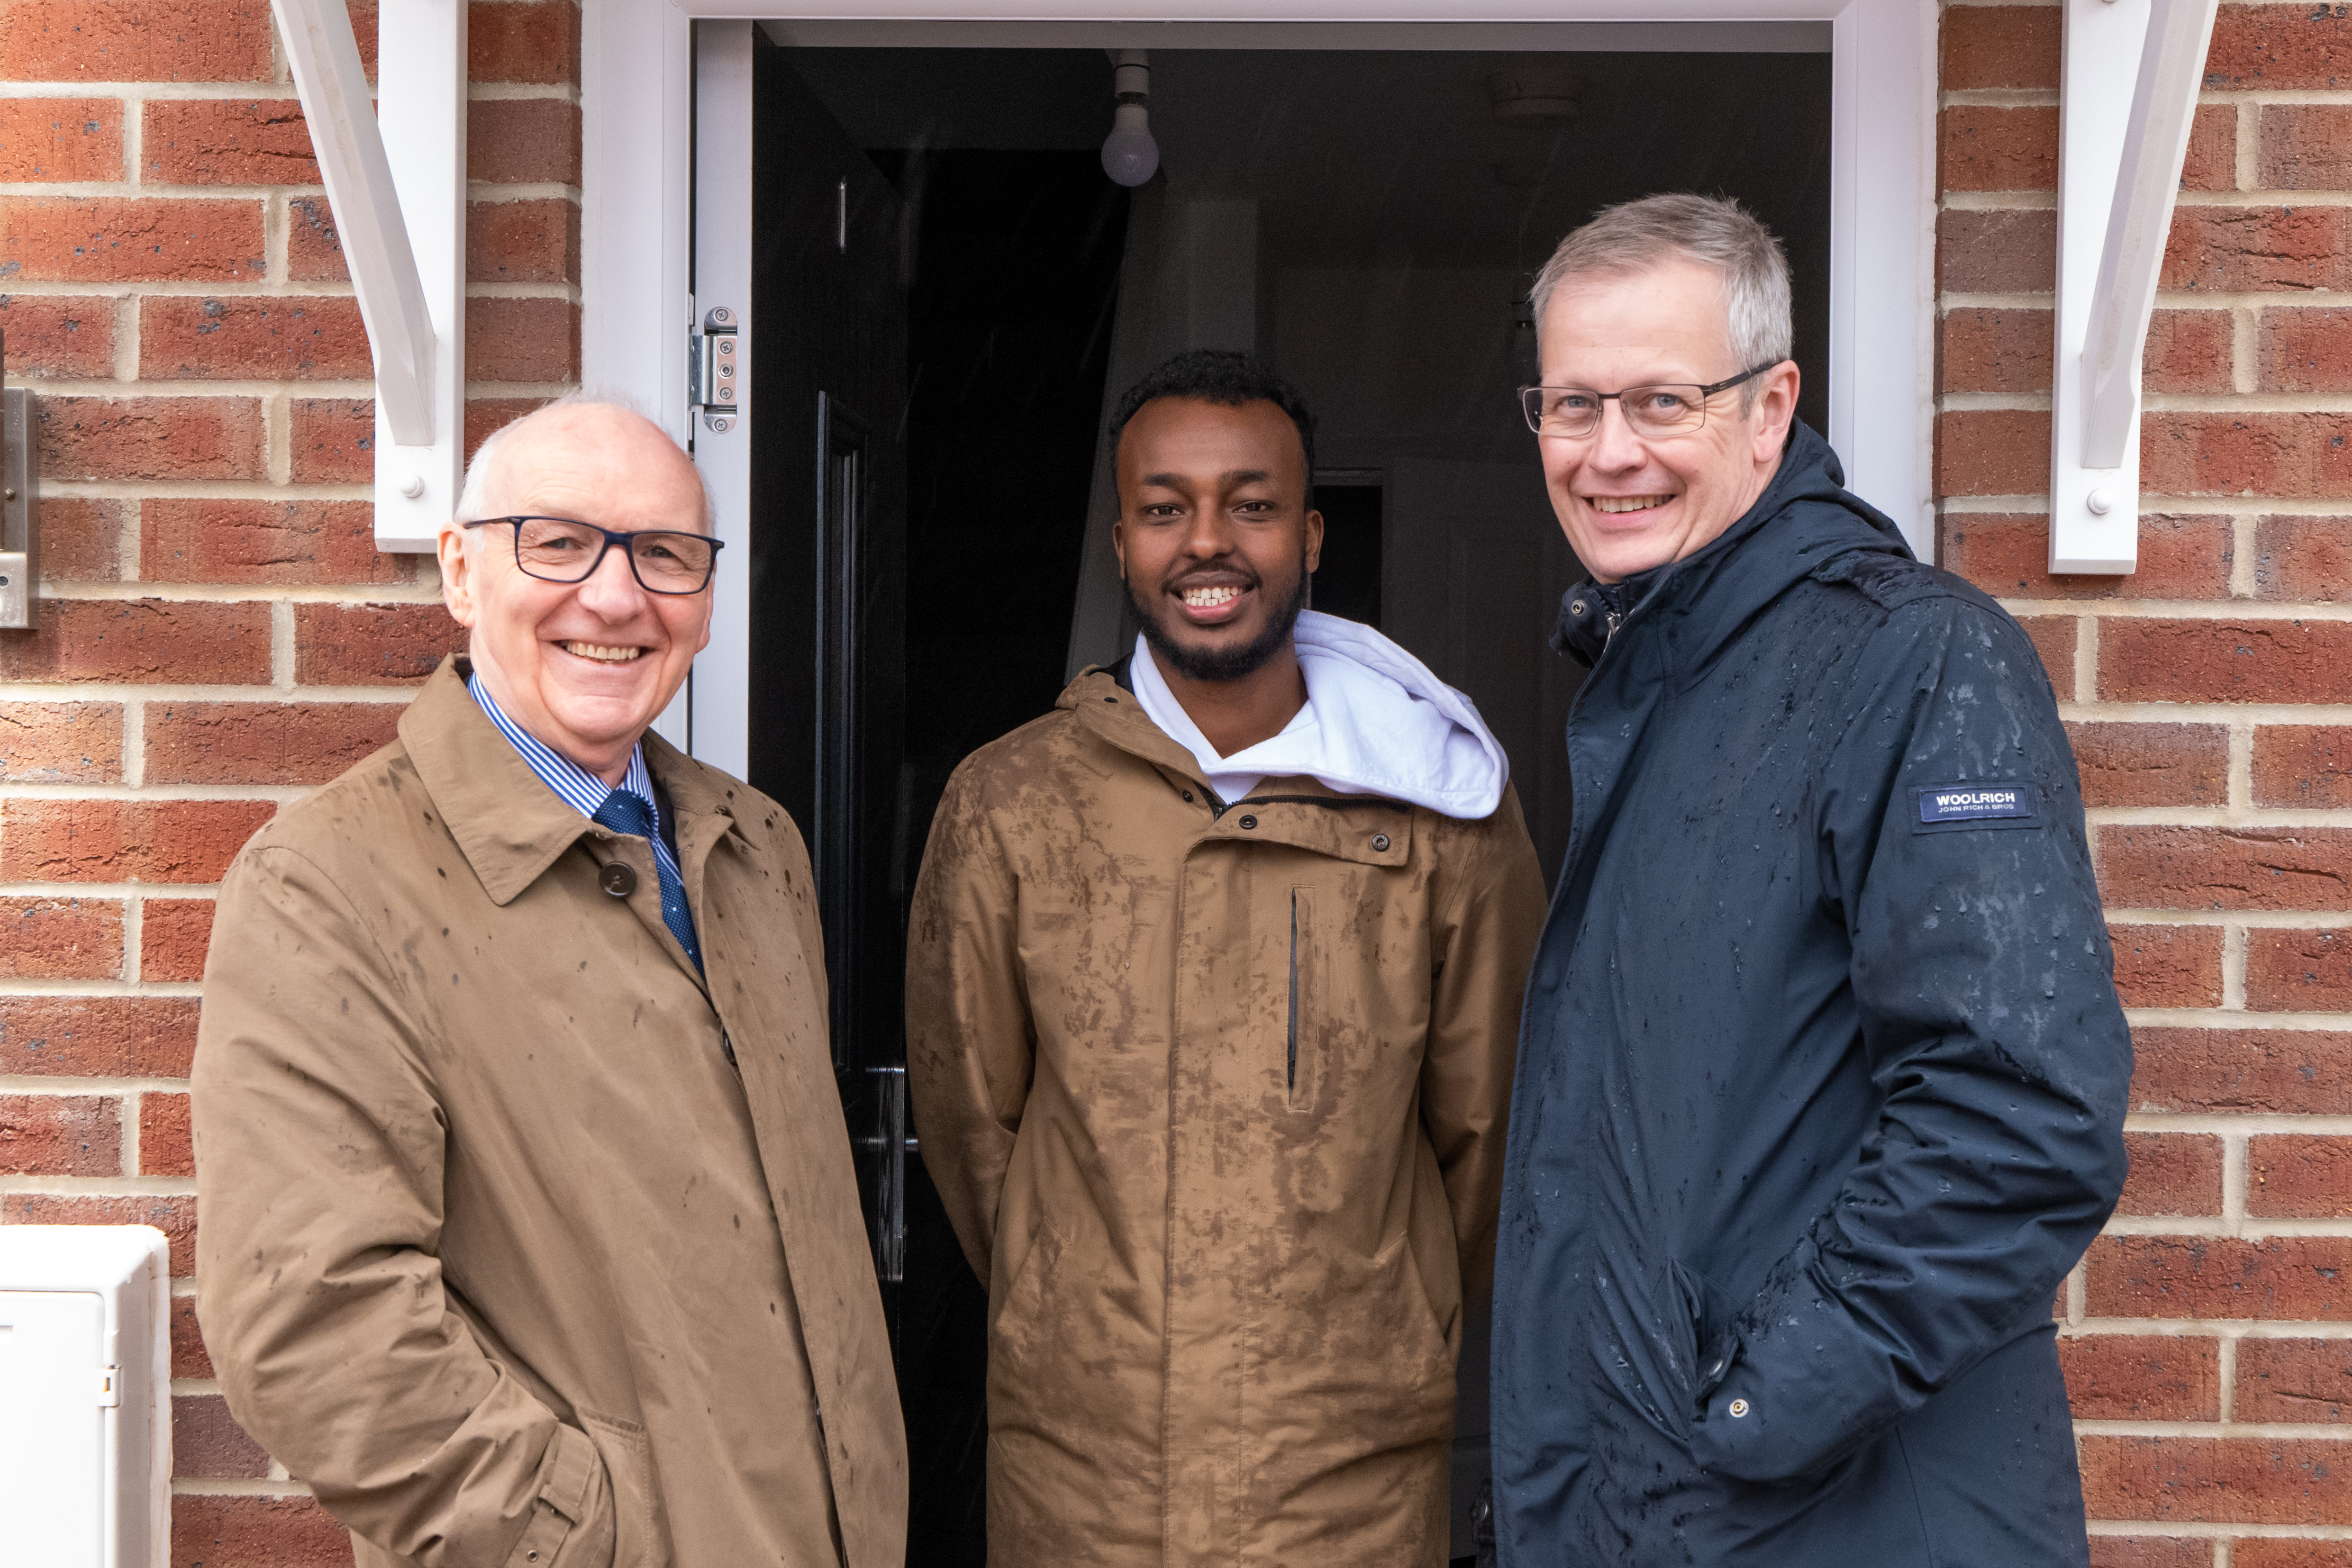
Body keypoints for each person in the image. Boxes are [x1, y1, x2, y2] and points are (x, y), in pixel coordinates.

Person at [1487, 194, 2132, 1565]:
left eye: (1662, 401)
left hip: (1831, 1516)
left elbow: (2016, 1117)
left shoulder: (1908, 662)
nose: (1609, 453)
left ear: (1770, 406)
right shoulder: (1656, 686)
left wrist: (1744, 1412)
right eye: (1570, 404)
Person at [191, 398, 906, 1568]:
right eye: (559, 543)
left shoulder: (756, 844)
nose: (616, 598)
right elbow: (312, 1325)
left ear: (708, 601)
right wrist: (589, 1541)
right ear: (462, 573)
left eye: (665, 555)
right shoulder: (323, 885)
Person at [906, 350, 1546, 1565]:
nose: (1209, 541)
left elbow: (1494, 1139)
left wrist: (1379, 1320)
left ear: (1311, 538)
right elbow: (976, 1128)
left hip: (1342, 1477)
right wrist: (1076, 1298)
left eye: (1250, 505)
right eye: (1166, 508)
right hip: (1082, 1475)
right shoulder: (1010, 802)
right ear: (1121, 543)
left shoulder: (1441, 806)